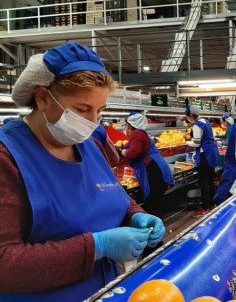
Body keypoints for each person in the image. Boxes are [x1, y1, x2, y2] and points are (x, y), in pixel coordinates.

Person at [0, 43, 165, 301]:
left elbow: (108, 193)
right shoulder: (7, 159)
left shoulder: (89, 145)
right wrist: (98, 246)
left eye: (100, 111)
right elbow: (5, 264)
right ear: (43, 98)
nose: (92, 122)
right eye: (81, 109)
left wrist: (135, 216)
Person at [119, 112, 175, 218]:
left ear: (130, 124)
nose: (125, 127)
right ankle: (156, 226)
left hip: (153, 169)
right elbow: (129, 146)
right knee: (156, 201)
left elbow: (134, 152)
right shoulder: (141, 134)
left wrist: (121, 151)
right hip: (156, 168)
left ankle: (154, 229)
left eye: (126, 124)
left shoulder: (137, 134)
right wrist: (122, 147)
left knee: (153, 202)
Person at [185, 104, 220, 217]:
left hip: (205, 154)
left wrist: (186, 142)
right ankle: (212, 204)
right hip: (212, 152)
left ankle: (205, 207)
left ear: (190, 115)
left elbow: (196, 143)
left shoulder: (196, 126)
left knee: (203, 181)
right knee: (210, 180)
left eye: (187, 116)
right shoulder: (206, 121)